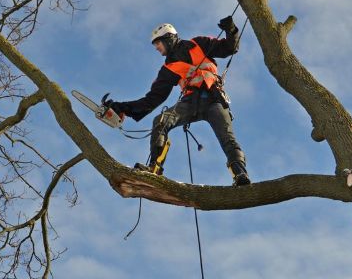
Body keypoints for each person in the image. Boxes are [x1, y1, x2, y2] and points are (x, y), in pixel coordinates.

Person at [105, 17, 250, 186]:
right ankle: (154, 169)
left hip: (214, 99)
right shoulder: (168, 69)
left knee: (228, 139)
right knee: (161, 121)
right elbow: (151, 100)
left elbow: (229, 48)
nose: (157, 48)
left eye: (158, 43)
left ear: (169, 37)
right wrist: (121, 108)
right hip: (189, 103)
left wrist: (231, 30)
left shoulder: (199, 44)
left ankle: (240, 175)